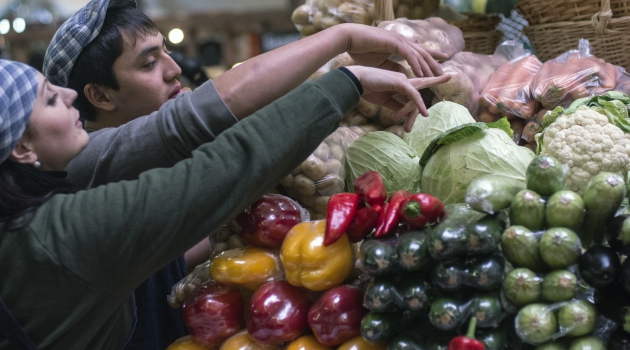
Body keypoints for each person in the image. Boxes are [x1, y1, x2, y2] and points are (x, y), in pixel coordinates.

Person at [42, 0, 448, 347]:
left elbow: (172, 248)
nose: (173, 69)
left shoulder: (126, 171)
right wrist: (344, 58)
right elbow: (198, 121)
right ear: (98, 95)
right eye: (149, 63)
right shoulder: (84, 166)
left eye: (166, 52)